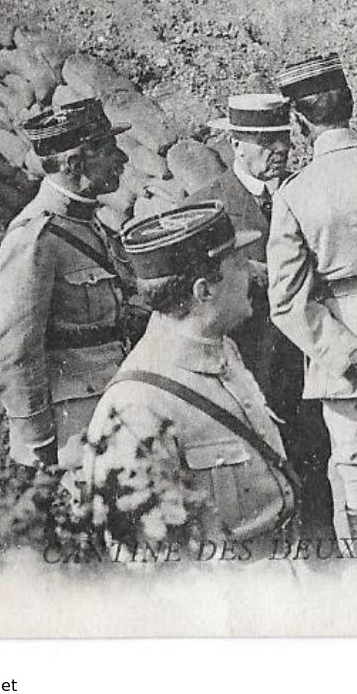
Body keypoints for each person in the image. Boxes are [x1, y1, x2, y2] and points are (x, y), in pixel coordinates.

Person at [85, 202, 296, 545]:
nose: (257, 272)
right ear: (204, 291)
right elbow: (150, 566)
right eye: (240, 264)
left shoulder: (220, 346)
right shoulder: (136, 410)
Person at [266, 53, 357, 552]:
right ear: (350, 105)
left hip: (343, 348)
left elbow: (285, 301)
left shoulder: (293, 195)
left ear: (300, 123)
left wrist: (351, 354)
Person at [191, 93, 333, 535]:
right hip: (253, 369)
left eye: (285, 142)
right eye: (267, 144)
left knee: (318, 482)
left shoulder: (303, 191)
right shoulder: (208, 206)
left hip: (306, 365)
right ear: (237, 145)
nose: (281, 152)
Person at [0, 98, 134, 469]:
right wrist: (40, 443)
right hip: (75, 429)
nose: (123, 159)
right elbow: (13, 352)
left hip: (114, 401)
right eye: (110, 149)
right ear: (75, 164)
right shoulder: (36, 238)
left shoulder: (87, 220)